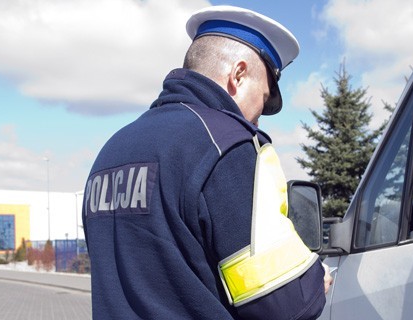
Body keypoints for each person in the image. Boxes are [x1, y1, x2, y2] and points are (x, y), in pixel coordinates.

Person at [82, 5, 331, 319]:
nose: (258, 117)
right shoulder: (228, 146)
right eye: (264, 97)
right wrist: (313, 285)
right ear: (238, 75)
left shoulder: (111, 151)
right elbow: (283, 306)